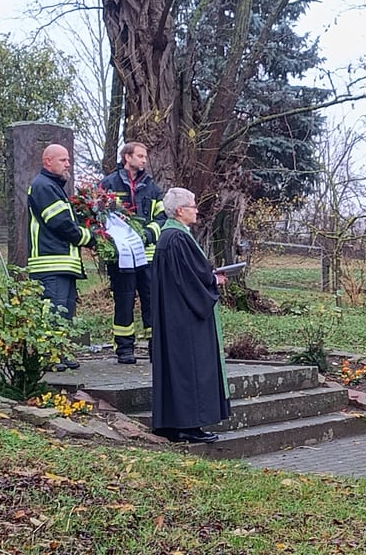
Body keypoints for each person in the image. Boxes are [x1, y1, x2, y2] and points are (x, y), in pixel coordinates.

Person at [149, 187, 230, 443]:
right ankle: (189, 425)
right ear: (181, 210)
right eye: (193, 206)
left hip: (172, 314)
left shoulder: (169, 236)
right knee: (190, 367)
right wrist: (213, 279)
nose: (197, 210)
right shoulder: (178, 239)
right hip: (185, 317)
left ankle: (171, 424)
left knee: (176, 368)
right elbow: (192, 279)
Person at [26, 144, 96, 371]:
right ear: (47, 161)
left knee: (64, 312)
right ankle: (50, 356)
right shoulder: (43, 186)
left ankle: (60, 352)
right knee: (54, 311)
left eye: (68, 160)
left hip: (62, 262)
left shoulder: (53, 186)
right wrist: (88, 237)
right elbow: (61, 223)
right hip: (50, 262)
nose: (68, 164)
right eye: (63, 160)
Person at [99, 142, 167, 364]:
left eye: (145, 156)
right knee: (124, 301)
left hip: (147, 256)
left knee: (151, 301)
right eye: (140, 156)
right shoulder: (108, 184)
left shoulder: (151, 187)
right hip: (121, 257)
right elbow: (99, 217)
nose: (144, 160)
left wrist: (148, 234)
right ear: (127, 157)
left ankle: (155, 347)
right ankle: (125, 349)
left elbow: (161, 217)